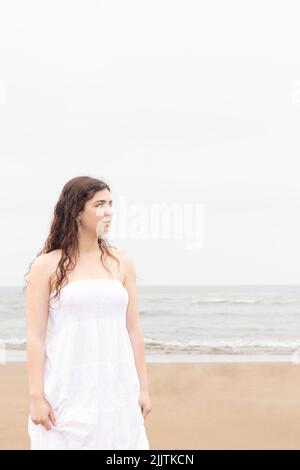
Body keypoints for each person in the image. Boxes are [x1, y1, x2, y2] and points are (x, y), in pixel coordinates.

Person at [25, 175, 151, 449]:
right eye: (99, 204)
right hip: (66, 386)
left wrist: (143, 388)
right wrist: (37, 397)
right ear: (77, 212)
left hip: (117, 386)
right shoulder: (46, 266)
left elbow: (133, 329)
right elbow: (35, 336)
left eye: (110, 204)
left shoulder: (122, 262)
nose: (109, 211)